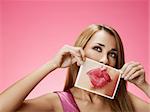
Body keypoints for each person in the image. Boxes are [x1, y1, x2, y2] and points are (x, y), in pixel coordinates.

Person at [0, 24, 149, 112]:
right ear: (81, 51)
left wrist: (144, 85)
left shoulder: (123, 100)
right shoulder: (58, 103)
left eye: (113, 54)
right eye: (98, 49)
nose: (105, 60)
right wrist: (52, 64)